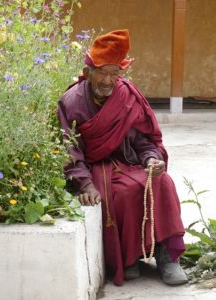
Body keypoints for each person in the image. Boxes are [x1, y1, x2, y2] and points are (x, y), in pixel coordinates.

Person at [57, 29, 188, 286]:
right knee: (120, 193)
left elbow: (144, 139)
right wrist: (85, 184)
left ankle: (167, 256)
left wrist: (151, 159)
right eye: (102, 72)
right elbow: (69, 149)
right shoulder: (71, 103)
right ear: (88, 72)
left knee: (164, 183)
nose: (108, 80)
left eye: (114, 73)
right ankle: (129, 258)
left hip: (130, 161)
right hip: (97, 166)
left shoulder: (127, 95)